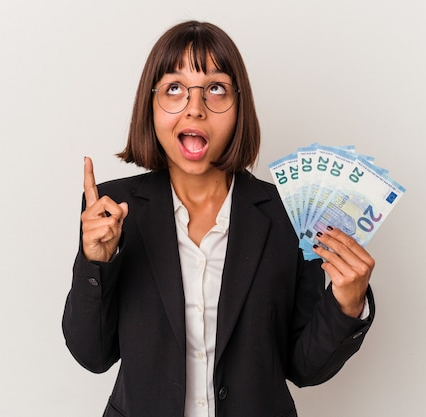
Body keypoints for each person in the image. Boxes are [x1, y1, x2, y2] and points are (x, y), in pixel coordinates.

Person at [62, 20, 375, 417]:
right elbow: (93, 355)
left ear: (238, 106)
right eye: (174, 88)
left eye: (215, 88)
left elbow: (304, 367)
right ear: (151, 103)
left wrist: (347, 303)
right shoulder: (111, 208)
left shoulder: (285, 215)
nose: (195, 107)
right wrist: (96, 263)